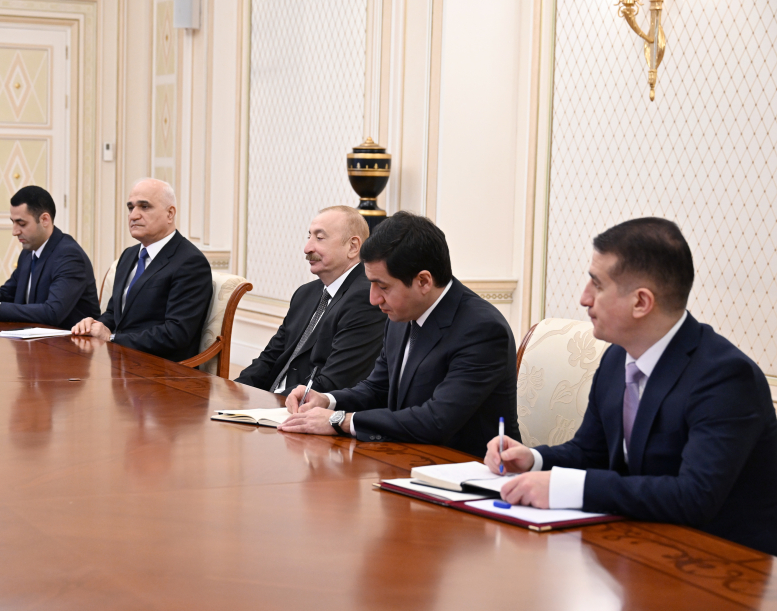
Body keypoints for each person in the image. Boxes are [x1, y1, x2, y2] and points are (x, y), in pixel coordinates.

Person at [484, 217, 777, 556]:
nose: (584, 298)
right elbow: (590, 452)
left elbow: (694, 497)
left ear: (641, 302)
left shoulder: (726, 378)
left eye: (597, 285)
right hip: (637, 545)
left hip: (720, 562)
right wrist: (533, 459)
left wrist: (571, 488)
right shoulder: (616, 358)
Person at [278, 211, 519, 457]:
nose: (373, 299)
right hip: (404, 457)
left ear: (423, 281)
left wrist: (339, 420)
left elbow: (437, 420)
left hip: (464, 467)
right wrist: (327, 400)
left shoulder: (482, 330)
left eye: (382, 286)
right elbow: (377, 388)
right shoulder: (401, 313)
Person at [235, 206, 387, 394]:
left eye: (320, 238)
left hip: (304, 407)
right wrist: (234, 392)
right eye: (309, 237)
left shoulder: (366, 299)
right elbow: (269, 358)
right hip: (272, 400)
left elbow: (334, 382)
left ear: (353, 246)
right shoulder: (305, 293)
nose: (307, 248)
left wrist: (273, 404)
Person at [71, 178, 212, 363]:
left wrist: (112, 338)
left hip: (162, 370)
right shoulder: (129, 255)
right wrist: (95, 325)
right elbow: (114, 314)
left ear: (170, 214)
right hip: (120, 361)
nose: (133, 215)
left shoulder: (190, 262)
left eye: (144, 207)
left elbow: (176, 333)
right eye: (131, 208)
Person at [0, 185, 100, 329]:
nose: (14, 232)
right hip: (34, 338)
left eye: (21, 224)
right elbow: (9, 292)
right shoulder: (28, 251)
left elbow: (53, 312)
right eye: (13, 222)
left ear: (44, 220)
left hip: (69, 341)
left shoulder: (69, 256)